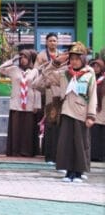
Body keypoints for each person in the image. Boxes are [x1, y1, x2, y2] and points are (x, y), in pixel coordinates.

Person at [39, 43, 97, 182]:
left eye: (77, 58)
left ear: (82, 59)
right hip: (66, 112)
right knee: (65, 143)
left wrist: (91, 115)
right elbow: (46, 74)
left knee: (80, 143)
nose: (74, 61)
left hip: (81, 113)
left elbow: (92, 95)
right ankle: (68, 172)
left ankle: (78, 172)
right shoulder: (64, 74)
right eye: (72, 58)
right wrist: (56, 62)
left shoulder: (89, 75)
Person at [0, 50, 40, 157]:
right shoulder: (14, 70)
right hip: (16, 103)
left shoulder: (34, 71)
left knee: (27, 129)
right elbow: (0, 69)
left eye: (25, 57)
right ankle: (15, 151)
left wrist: (37, 105)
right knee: (16, 128)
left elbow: (37, 88)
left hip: (29, 104)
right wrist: (12, 60)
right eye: (21, 57)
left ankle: (27, 151)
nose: (23, 59)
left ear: (30, 59)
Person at [34, 33, 63, 164]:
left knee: (60, 123)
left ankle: (59, 154)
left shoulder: (62, 55)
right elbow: (36, 71)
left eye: (55, 41)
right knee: (50, 121)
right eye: (50, 41)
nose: (53, 43)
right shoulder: (41, 55)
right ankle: (48, 153)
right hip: (48, 91)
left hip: (61, 92)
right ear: (46, 42)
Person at [90, 58, 104, 162]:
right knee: (93, 134)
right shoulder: (90, 78)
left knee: (101, 134)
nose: (95, 68)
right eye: (94, 66)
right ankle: (93, 155)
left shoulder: (103, 79)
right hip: (92, 110)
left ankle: (101, 155)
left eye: (98, 66)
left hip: (102, 110)